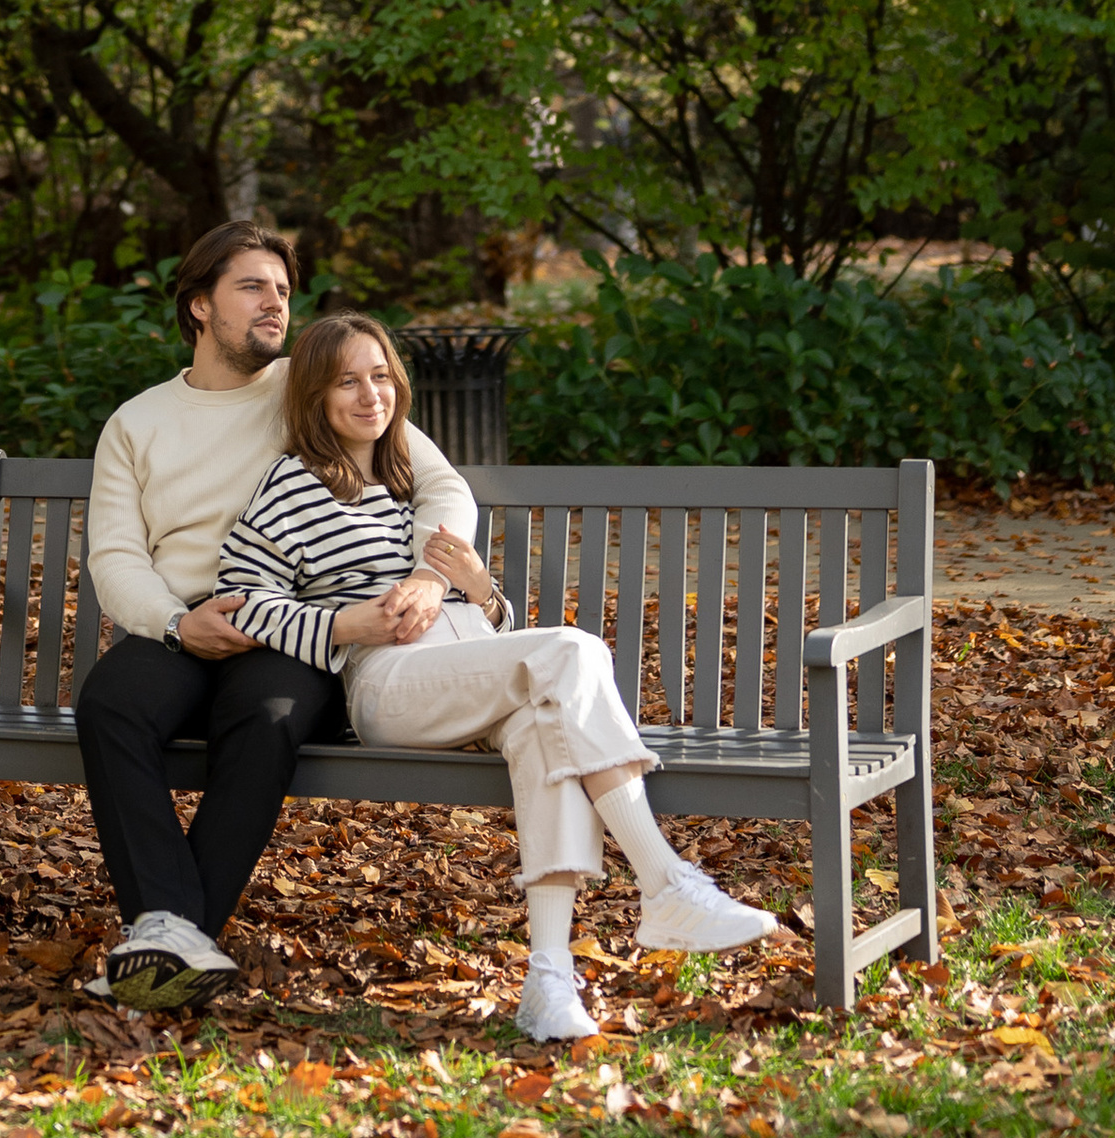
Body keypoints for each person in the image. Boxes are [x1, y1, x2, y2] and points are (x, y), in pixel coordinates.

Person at [213, 310, 775, 1040]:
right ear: (313, 394)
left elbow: (493, 627)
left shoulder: (405, 475)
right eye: (346, 381)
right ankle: (664, 879)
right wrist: (344, 624)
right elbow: (240, 599)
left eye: (381, 376)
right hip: (389, 684)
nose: (369, 394)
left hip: (469, 670)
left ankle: (548, 979)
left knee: (548, 727)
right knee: (573, 650)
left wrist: (481, 588)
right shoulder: (291, 484)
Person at [76, 219, 476, 1013]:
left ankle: (167, 937)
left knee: (263, 713)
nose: (275, 304)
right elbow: (116, 555)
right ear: (199, 305)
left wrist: (433, 574)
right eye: (253, 287)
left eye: (283, 290)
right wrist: (174, 623)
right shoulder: (136, 421)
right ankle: (174, 931)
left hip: (296, 625)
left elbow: (441, 486)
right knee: (110, 701)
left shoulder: (314, 382)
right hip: (184, 624)